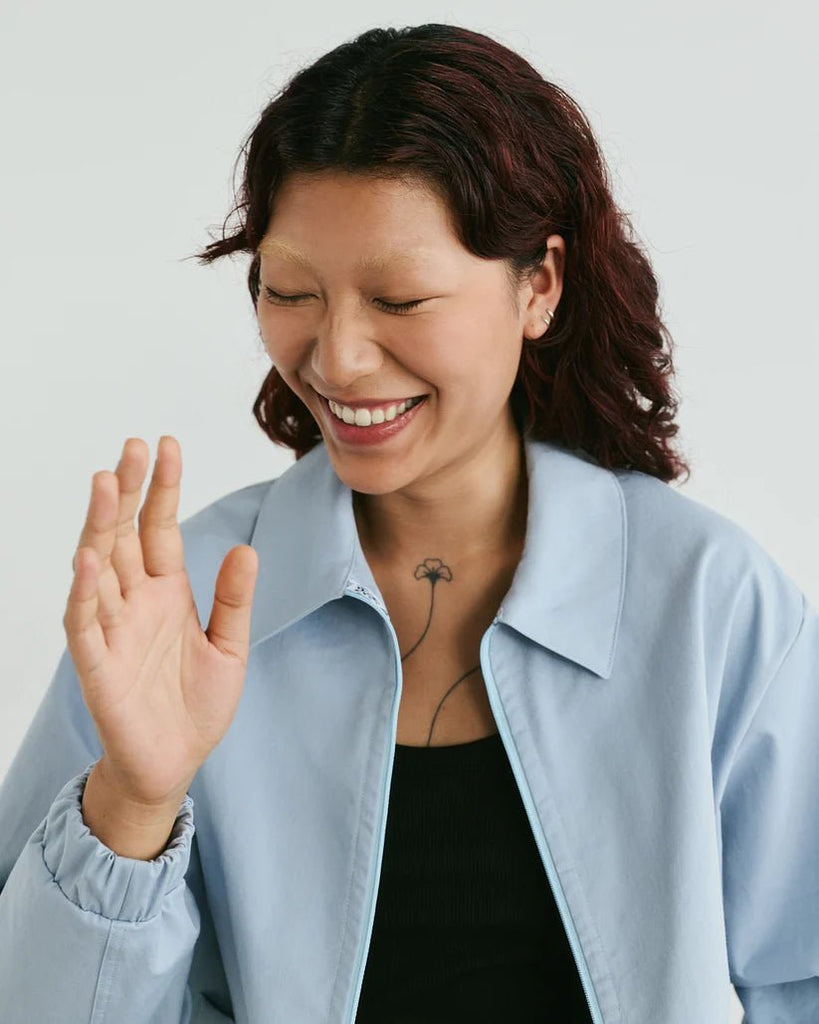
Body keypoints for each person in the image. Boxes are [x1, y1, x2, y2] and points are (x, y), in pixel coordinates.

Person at [0, 22, 816, 1024]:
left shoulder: (706, 600)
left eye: (400, 298)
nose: (337, 358)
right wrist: (133, 802)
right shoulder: (179, 606)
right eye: (290, 291)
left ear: (539, 285)